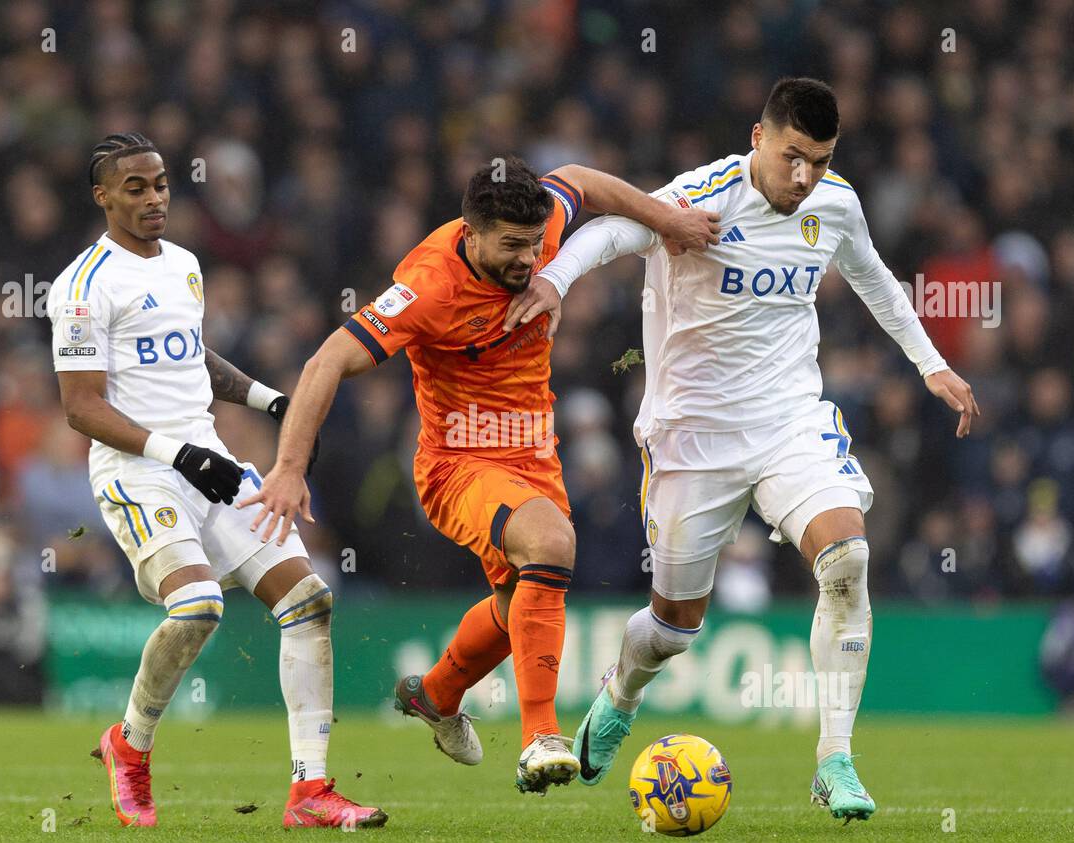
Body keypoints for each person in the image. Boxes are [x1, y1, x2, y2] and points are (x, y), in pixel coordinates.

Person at [504, 78, 981, 821]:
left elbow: (876, 279)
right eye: (793, 156)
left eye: (819, 161)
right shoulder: (705, 195)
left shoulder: (836, 204)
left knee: (848, 560)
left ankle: (835, 760)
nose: (804, 177)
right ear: (759, 138)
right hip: (692, 440)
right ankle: (622, 692)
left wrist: (932, 366)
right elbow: (610, 233)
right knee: (672, 630)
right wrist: (556, 279)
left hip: (791, 420)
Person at [240, 156, 719, 793]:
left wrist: (667, 220)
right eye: (513, 246)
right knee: (552, 546)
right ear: (471, 232)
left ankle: (435, 695)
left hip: (534, 456)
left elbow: (582, 179)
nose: (530, 259)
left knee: (514, 602)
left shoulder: (539, 222)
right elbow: (327, 361)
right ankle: (540, 736)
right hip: (458, 462)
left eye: (535, 243)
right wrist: (290, 468)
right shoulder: (427, 287)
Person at [47, 133, 384, 828]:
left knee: (309, 600)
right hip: (140, 473)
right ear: (102, 196)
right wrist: (176, 453)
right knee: (198, 605)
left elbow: (187, 356)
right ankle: (129, 747)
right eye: (134, 188)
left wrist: (271, 400)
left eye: (162, 184)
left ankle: (310, 791)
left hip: (207, 460)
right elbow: (81, 407)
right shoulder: (82, 285)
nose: (154, 199)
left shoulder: (185, 266)